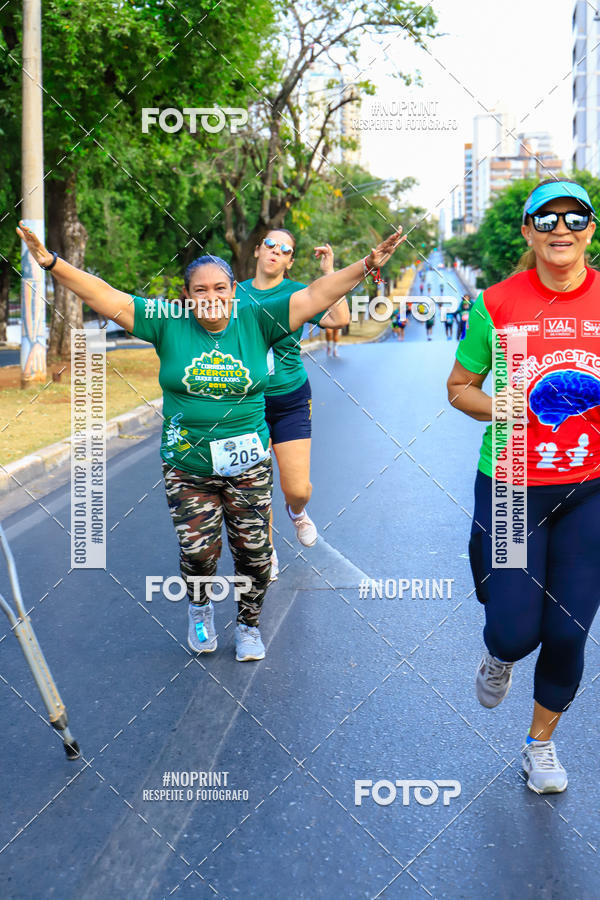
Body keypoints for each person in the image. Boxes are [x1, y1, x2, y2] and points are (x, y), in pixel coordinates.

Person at [18, 221, 403, 662]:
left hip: (248, 465)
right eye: (200, 290)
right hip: (187, 467)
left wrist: (367, 264)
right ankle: (200, 608)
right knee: (199, 554)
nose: (211, 296)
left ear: (234, 291)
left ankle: (248, 624)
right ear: (186, 296)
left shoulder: (258, 318)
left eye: (220, 287)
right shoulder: (168, 323)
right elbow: (104, 294)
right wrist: (50, 262)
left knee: (255, 555)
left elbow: (318, 294)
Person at [446, 178, 600, 794]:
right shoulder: (497, 302)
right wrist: (505, 407)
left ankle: (539, 745)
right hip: (512, 488)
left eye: (575, 217)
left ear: (590, 230)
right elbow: (459, 389)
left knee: (567, 631)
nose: (562, 228)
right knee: (514, 631)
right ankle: (499, 654)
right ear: (528, 231)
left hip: (590, 490)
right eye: (547, 218)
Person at [236, 231, 349, 578]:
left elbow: (338, 319)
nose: (276, 251)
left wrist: (328, 272)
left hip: (290, 398)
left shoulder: (300, 293)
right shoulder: (234, 293)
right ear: (257, 250)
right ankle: (266, 552)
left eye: (285, 249)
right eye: (270, 244)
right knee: (256, 486)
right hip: (247, 402)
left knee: (297, 489)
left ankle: (297, 512)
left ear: (290, 261)